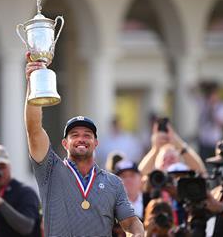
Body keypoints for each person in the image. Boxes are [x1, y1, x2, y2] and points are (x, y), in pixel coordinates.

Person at [24, 59, 145, 236]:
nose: (81, 139)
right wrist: (34, 83)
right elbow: (34, 130)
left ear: (96, 142)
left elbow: (130, 221)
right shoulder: (50, 170)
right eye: (74, 135)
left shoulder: (113, 183)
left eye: (87, 135)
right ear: (65, 143)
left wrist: (138, 232)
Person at [197, 81, 223, 162]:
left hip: (216, 141)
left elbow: (222, 123)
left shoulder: (222, 106)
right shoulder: (203, 103)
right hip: (204, 142)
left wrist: (212, 109)